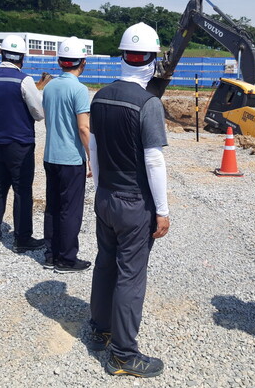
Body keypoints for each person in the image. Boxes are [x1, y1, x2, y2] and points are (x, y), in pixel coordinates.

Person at [88, 22, 170, 378]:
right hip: (134, 203)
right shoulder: (148, 103)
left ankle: (100, 329)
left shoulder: (100, 96)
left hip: (105, 196)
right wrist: (162, 210)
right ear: (152, 60)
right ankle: (123, 355)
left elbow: (93, 147)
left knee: (105, 264)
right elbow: (154, 160)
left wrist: (99, 188)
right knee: (130, 276)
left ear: (123, 56)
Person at [0, 35, 46, 253]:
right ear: (22, 57)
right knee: (22, 189)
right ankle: (22, 238)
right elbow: (39, 113)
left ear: (1, 54)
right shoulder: (24, 81)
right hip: (20, 144)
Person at [42, 37, 92, 273]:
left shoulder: (49, 87)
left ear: (60, 61)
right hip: (71, 159)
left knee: (52, 206)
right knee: (70, 210)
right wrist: (92, 157)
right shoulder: (79, 89)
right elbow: (83, 128)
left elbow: (48, 121)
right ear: (83, 62)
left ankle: (51, 255)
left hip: (50, 155)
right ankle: (67, 259)